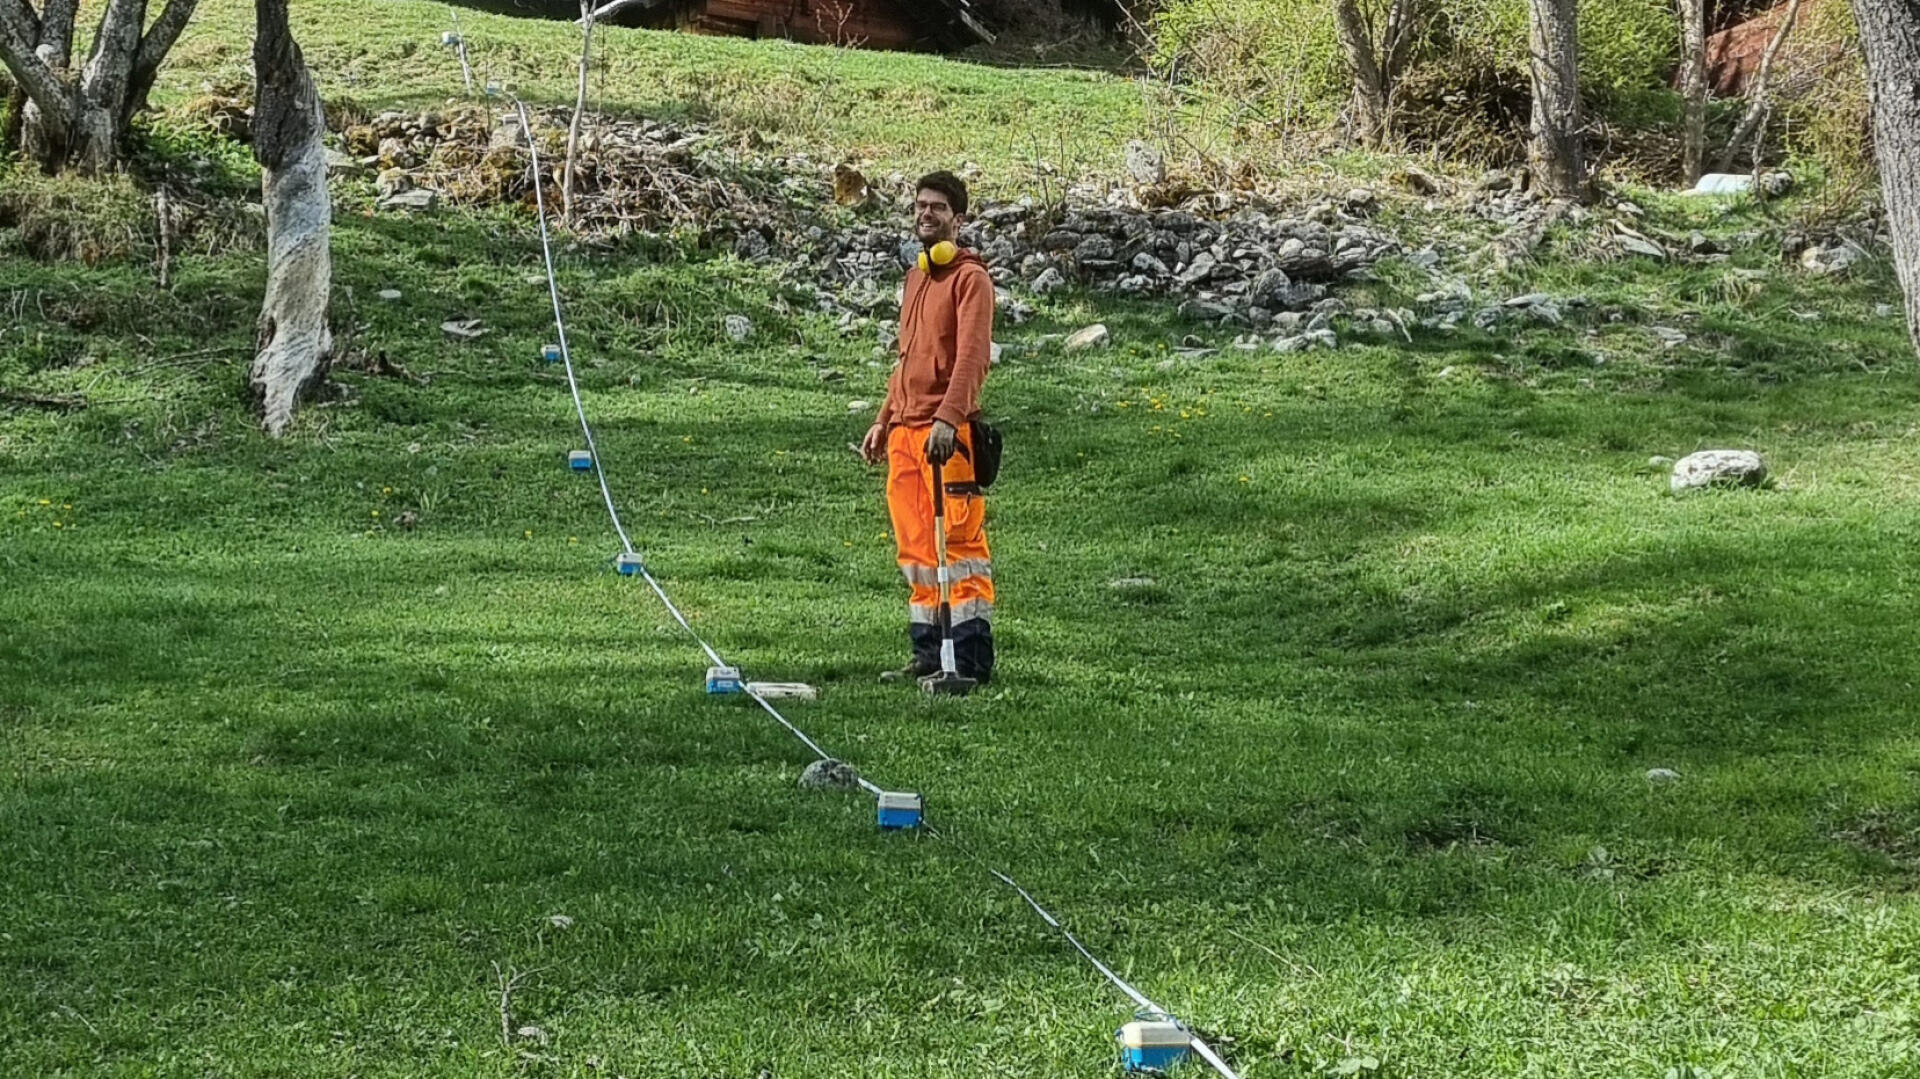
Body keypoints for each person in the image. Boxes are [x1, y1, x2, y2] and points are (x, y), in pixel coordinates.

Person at [860, 170, 996, 685]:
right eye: (920, 205)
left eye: (937, 207)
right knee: (917, 550)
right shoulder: (915, 278)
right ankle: (926, 653)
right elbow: (906, 360)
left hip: (947, 438)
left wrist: (948, 418)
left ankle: (969, 661)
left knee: (957, 549)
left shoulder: (970, 278)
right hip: (905, 436)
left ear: (957, 219)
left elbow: (971, 358)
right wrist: (883, 419)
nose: (925, 214)